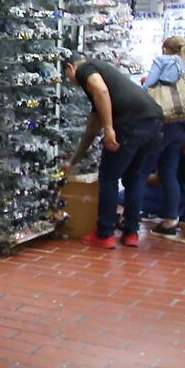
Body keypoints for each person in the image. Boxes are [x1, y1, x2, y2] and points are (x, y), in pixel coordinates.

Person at [65, 53, 164, 249]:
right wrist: (73, 161)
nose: (69, 82)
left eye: (67, 76)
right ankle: (131, 232)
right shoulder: (107, 76)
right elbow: (92, 129)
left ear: (70, 67)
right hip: (154, 123)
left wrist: (109, 128)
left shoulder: (86, 69)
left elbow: (101, 91)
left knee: (109, 178)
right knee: (134, 178)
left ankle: (105, 233)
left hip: (129, 125)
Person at [141, 37, 185, 239]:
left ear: (165, 49)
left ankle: (130, 218)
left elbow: (147, 89)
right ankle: (171, 220)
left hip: (160, 126)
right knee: (169, 173)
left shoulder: (162, 61)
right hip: (182, 129)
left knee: (140, 172)